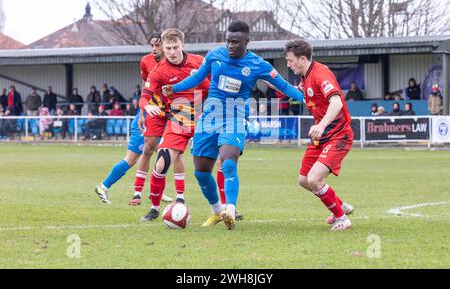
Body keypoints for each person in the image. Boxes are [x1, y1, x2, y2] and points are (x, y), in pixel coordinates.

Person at [162, 21, 304, 230]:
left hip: (235, 117)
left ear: (247, 41)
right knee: (201, 172)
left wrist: (308, 97)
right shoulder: (214, 56)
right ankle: (218, 211)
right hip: (210, 117)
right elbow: (197, 79)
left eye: (235, 42)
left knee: (228, 161)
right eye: (228, 41)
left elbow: (283, 86)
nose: (230, 45)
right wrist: (173, 88)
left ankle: (231, 208)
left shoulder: (258, 64)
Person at [94, 33, 175, 205]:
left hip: (160, 116)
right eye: (152, 45)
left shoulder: (170, 62)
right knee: (132, 158)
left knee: (164, 153)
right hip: (146, 117)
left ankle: (154, 191)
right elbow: (147, 92)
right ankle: (104, 186)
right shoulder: (146, 61)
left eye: (157, 45)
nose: (154, 48)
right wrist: (143, 114)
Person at [139, 28, 211, 222]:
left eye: (175, 47)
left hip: (206, 113)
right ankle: (154, 208)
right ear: (163, 47)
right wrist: (147, 107)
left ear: (183, 45)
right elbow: (144, 97)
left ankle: (227, 208)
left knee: (223, 160)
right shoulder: (158, 71)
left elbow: (214, 87)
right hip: (181, 115)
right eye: (168, 48)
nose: (171, 52)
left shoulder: (199, 61)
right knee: (161, 162)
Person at [285, 39, 354, 231]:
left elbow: (337, 103)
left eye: (290, 61)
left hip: (339, 135)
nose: (288, 65)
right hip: (322, 137)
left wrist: (322, 125)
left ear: (302, 58)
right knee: (304, 180)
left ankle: (342, 219)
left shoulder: (320, 74)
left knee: (314, 179)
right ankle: (340, 206)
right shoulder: (305, 77)